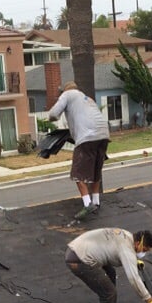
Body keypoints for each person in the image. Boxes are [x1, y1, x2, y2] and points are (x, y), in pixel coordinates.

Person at [48, 81, 110, 221]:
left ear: (65, 90)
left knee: (77, 174)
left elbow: (53, 114)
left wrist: (54, 117)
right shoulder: (88, 99)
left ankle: (87, 204)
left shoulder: (67, 95)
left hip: (87, 138)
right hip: (103, 135)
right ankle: (96, 201)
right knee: (95, 171)